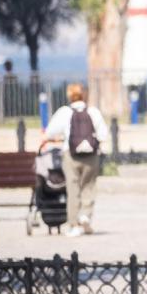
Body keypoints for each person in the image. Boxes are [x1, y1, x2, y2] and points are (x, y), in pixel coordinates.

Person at [43, 83, 108, 237]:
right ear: (84, 95)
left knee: (73, 189)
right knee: (89, 186)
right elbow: (103, 134)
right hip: (91, 155)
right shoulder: (93, 112)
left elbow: (50, 132)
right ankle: (85, 215)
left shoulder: (64, 113)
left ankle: (74, 225)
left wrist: (56, 138)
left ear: (70, 96)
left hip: (70, 155)